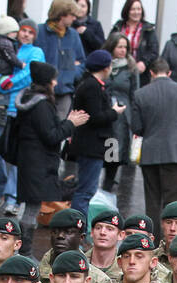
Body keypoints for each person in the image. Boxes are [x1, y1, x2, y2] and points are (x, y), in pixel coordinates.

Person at [15, 62, 89, 228]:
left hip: (31, 161)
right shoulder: (41, 105)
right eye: (53, 79)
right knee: (32, 209)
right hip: (38, 163)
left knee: (31, 207)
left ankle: (24, 249)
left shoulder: (31, 100)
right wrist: (70, 123)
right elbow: (51, 136)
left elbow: (48, 129)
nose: (56, 83)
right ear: (46, 81)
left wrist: (68, 122)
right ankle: (24, 249)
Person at [0, 17, 46, 217]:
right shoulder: (5, 46)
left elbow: (28, 76)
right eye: (23, 30)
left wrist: (4, 82)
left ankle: (12, 197)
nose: (26, 34)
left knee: (16, 158)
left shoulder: (36, 53)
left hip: (20, 109)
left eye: (30, 32)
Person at [71, 50, 124, 217]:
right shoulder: (92, 86)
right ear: (106, 67)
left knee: (87, 189)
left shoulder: (91, 84)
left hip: (93, 144)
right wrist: (115, 112)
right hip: (91, 144)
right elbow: (95, 117)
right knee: (86, 191)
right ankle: (77, 228)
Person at [98, 34, 139, 192]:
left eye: (125, 47)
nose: (123, 50)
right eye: (119, 47)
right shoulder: (103, 64)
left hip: (121, 117)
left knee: (114, 151)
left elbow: (134, 93)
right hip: (104, 111)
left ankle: (108, 183)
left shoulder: (130, 68)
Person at [35, 0, 88, 118]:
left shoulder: (73, 35)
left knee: (61, 131)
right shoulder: (40, 32)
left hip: (64, 92)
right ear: (62, 14)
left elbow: (82, 62)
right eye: (72, 15)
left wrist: (71, 74)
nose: (75, 19)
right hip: (41, 91)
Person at [112, 0, 160, 84]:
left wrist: (144, 63)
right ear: (127, 11)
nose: (136, 12)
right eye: (133, 9)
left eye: (138, 9)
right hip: (118, 70)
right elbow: (109, 45)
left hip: (140, 74)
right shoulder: (118, 27)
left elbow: (153, 51)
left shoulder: (148, 30)